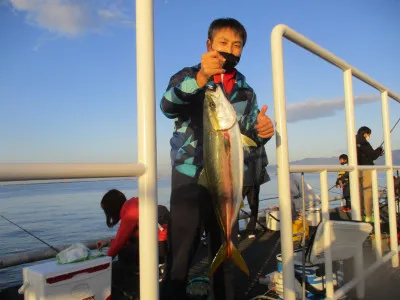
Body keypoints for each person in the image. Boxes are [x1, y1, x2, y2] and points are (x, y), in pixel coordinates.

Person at [159, 18, 274, 300]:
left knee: (223, 257)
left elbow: (248, 136)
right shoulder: (187, 76)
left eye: (237, 45)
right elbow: (168, 106)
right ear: (209, 45)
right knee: (181, 254)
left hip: (230, 180)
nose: (230, 50)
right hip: (189, 177)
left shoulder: (245, 91)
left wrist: (264, 132)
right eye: (223, 43)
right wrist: (200, 80)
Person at [356, 126, 384, 222]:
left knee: (359, 193)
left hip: (356, 170)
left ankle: (360, 215)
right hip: (367, 169)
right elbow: (372, 155)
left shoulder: (353, 141)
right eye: (369, 134)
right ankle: (368, 216)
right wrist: (379, 150)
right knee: (368, 192)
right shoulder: (363, 142)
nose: (369, 136)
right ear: (365, 134)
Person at [242, 144, 270, 238]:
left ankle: (235, 231)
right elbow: (265, 162)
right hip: (254, 180)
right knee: (254, 207)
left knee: (235, 208)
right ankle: (251, 230)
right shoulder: (259, 144)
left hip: (240, 181)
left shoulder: (239, 142)